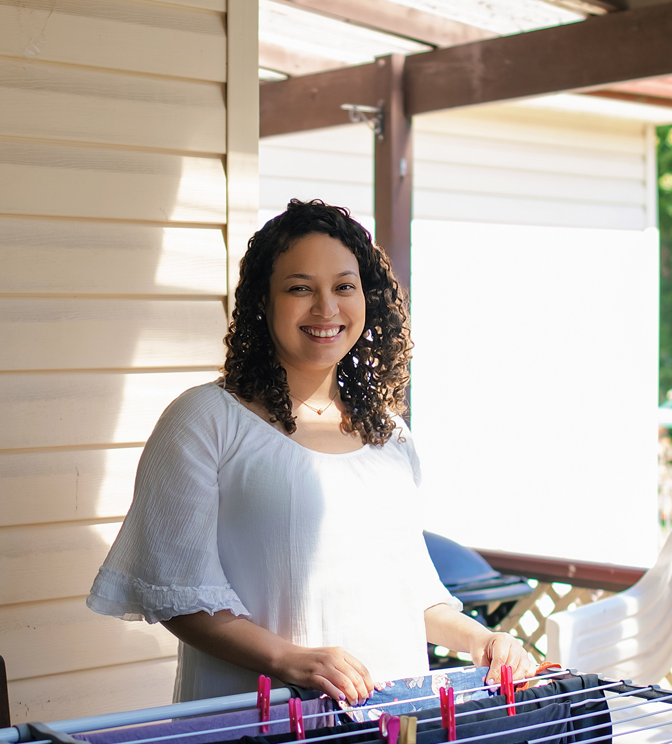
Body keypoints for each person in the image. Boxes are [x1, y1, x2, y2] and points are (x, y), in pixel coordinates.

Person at [87, 200, 535, 703]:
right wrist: (290, 660)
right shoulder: (205, 419)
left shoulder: (391, 436)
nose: (326, 308)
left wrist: (485, 639)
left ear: (369, 299)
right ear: (262, 301)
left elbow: (413, 595)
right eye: (300, 288)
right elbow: (179, 594)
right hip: (255, 738)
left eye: (344, 287)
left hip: (388, 730)